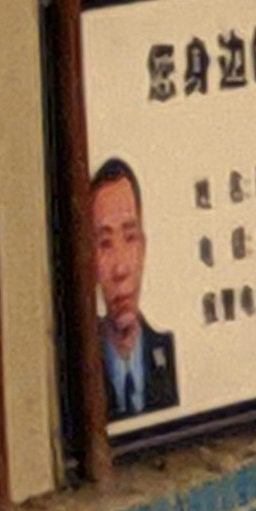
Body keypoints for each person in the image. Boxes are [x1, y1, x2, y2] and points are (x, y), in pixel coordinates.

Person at [88, 160, 182, 423]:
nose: (120, 269)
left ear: (143, 248)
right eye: (105, 244)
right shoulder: (81, 370)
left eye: (130, 238)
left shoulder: (169, 355)